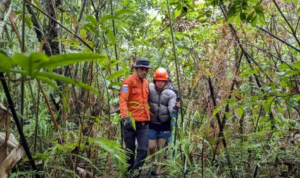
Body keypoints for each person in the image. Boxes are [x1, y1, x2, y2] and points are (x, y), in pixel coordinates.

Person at [119, 58, 152, 178]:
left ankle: (134, 175)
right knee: (130, 152)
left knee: (143, 150)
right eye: (142, 69)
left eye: (146, 70)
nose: (144, 72)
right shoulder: (128, 82)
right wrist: (125, 116)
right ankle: (127, 172)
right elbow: (123, 100)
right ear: (136, 69)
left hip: (143, 122)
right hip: (130, 122)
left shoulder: (147, 83)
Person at [148, 68, 180, 176]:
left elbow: (171, 108)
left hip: (164, 124)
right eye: (158, 80)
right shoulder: (149, 88)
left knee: (161, 147)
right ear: (154, 80)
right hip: (152, 123)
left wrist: (175, 109)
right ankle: (153, 162)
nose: (160, 83)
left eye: (162, 81)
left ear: (166, 82)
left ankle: (158, 170)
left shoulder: (171, 93)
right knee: (151, 146)